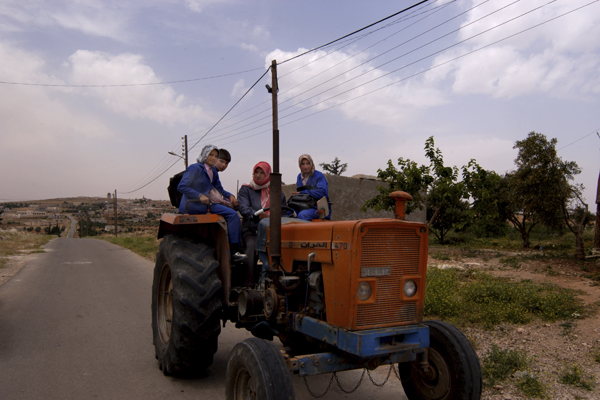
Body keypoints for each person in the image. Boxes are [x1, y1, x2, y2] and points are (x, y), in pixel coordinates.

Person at [177, 144, 241, 250]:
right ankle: (234, 249)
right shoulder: (195, 168)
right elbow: (182, 186)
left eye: (216, 156)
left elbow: (219, 189)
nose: (213, 158)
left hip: (206, 204)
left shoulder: (212, 171)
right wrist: (199, 196)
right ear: (205, 154)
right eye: (211, 154)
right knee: (233, 215)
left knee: (233, 209)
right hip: (194, 204)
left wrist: (230, 195)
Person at [238, 161, 288, 286]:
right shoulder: (246, 190)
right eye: (256, 172)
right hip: (252, 231)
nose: (258, 175)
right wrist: (256, 214)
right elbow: (243, 208)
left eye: (262, 173)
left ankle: (280, 284)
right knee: (252, 247)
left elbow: (284, 211)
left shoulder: (276, 192)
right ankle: (248, 285)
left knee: (287, 247)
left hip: (272, 232)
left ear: (268, 175)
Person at [294, 154, 331, 221]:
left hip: (318, 208)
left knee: (302, 215)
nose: (305, 166)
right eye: (303, 164)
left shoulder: (318, 176)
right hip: (304, 206)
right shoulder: (299, 177)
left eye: (308, 164)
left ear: (312, 164)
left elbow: (322, 192)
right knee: (289, 213)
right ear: (299, 166)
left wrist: (303, 192)